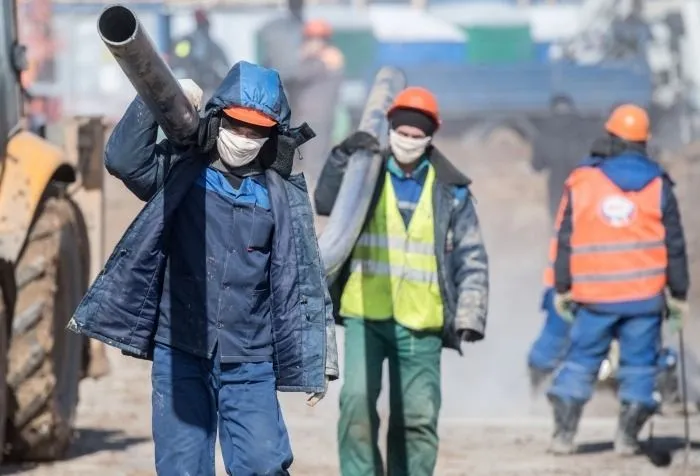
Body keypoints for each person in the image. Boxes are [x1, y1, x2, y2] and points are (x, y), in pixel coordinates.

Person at [68, 62, 339, 475]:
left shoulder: (280, 197)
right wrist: (155, 100)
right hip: (179, 354)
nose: (244, 138)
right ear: (217, 120)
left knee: (263, 465)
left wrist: (318, 358)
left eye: (256, 131)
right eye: (236, 125)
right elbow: (122, 160)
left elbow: (300, 282)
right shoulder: (180, 172)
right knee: (183, 469)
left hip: (249, 361)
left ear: (273, 135)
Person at [314, 87, 489, 475]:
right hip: (366, 313)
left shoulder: (451, 190)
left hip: (422, 320)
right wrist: (343, 156)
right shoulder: (366, 174)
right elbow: (325, 201)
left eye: (417, 134)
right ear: (390, 130)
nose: (408, 140)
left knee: (417, 417)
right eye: (402, 132)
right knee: (357, 404)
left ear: (430, 136)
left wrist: (471, 314)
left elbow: (471, 256)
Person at [546, 104, 690, 456]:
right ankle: (627, 438)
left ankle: (564, 435)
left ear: (610, 136)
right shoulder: (659, 183)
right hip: (644, 298)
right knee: (640, 367)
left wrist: (562, 286)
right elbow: (674, 243)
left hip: (594, 296)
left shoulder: (582, 180)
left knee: (580, 361)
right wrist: (679, 292)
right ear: (644, 142)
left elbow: (565, 235)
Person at [531, 98, 601, 223]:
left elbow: (537, 166)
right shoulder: (586, 129)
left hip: (557, 186)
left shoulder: (545, 133)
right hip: (583, 183)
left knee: (558, 222)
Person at [294, 19, 344, 185]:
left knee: (313, 164)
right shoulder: (326, 58)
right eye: (310, 39)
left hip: (317, 118)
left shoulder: (326, 60)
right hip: (310, 116)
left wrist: (302, 57)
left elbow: (296, 75)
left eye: (317, 39)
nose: (312, 44)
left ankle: (312, 200)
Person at [170, 9, 229, 99]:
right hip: (192, 83)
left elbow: (224, 67)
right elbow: (176, 59)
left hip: (203, 85)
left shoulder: (212, 46)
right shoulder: (188, 41)